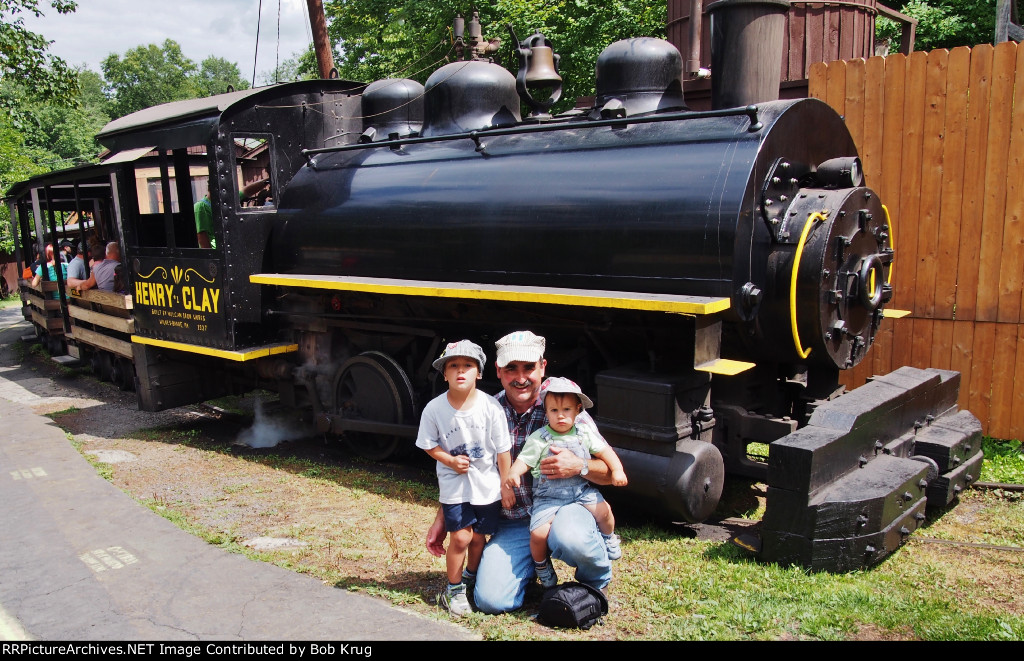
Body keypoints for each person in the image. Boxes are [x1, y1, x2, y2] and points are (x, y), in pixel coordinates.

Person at [426, 330, 615, 615]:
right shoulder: (486, 409)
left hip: (563, 508)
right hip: (514, 522)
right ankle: (531, 568)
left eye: (529, 367)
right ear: (498, 372)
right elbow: (467, 467)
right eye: (511, 368)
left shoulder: (565, 408)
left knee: (571, 536)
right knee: (492, 600)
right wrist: (444, 516)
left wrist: (580, 466)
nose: (521, 377)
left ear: (542, 367)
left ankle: (595, 581)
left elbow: (610, 473)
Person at [416, 340, 512, 616]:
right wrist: (449, 460)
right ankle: (454, 589)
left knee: (479, 538)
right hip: (454, 486)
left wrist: (506, 485)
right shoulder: (434, 409)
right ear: (444, 373)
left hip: (487, 486)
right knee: (460, 537)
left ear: (479, 373)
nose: (460, 371)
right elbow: (428, 444)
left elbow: (503, 450)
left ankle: (470, 577)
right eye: (453, 366)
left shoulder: (491, 407)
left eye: (468, 365)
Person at [505, 376, 628, 587]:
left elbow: (605, 452)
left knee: (604, 510)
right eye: (554, 411)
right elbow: (524, 460)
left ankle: (608, 538)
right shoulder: (539, 437)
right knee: (538, 534)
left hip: (579, 492)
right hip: (548, 498)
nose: (560, 416)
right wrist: (514, 473)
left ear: (578, 410)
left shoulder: (584, 433)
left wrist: (617, 470)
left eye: (567, 410)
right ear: (546, 411)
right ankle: (541, 565)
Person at [194, 176, 272, 249]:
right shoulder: (201, 207)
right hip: (217, 251)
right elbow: (202, 237)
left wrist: (267, 180)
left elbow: (246, 191)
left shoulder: (226, 202)